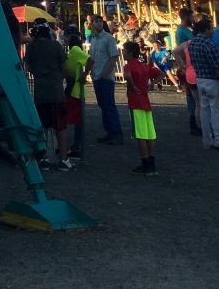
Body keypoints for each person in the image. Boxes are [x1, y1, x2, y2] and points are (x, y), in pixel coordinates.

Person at [24, 22, 72, 170]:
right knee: (60, 127)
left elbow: (28, 66)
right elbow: (65, 68)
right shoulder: (56, 46)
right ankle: (64, 159)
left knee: (43, 127)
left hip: (40, 91)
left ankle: (43, 158)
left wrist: (38, 73)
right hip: (56, 91)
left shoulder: (31, 46)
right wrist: (59, 78)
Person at [188, 17, 219, 149]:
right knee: (217, 110)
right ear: (206, 29)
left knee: (204, 110)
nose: (212, 31)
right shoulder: (209, 44)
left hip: (200, 78)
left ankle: (207, 139)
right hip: (213, 80)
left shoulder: (192, 43)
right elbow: (217, 66)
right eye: (211, 28)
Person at [123, 40, 161, 174]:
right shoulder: (143, 66)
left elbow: (127, 75)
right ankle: (152, 163)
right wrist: (152, 84)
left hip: (135, 101)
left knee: (140, 135)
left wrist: (132, 85)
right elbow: (160, 73)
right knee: (150, 134)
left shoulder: (129, 66)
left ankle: (145, 163)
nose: (123, 52)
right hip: (145, 101)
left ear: (130, 52)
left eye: (124, 50)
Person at [89, 14, 123, 144]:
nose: (98, 24)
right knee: (103, 105)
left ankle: (116, 132)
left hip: (105, 77)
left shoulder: (108, 38)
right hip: (96, 75)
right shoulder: (94, 39)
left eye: (100, 21)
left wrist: (106, 73)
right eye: (96, 22)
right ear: (91, 24)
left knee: (109, 105)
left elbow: (114, 56)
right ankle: (109, 131)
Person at [64, 32, 90, 158]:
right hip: (72, 87)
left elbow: (90, 59)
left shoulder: (75, 50)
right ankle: (73, 145)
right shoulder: (72, 52)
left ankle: (74, 146)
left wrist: (85, 75)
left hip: (74, 89)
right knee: (74, 119)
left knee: (73, 119)